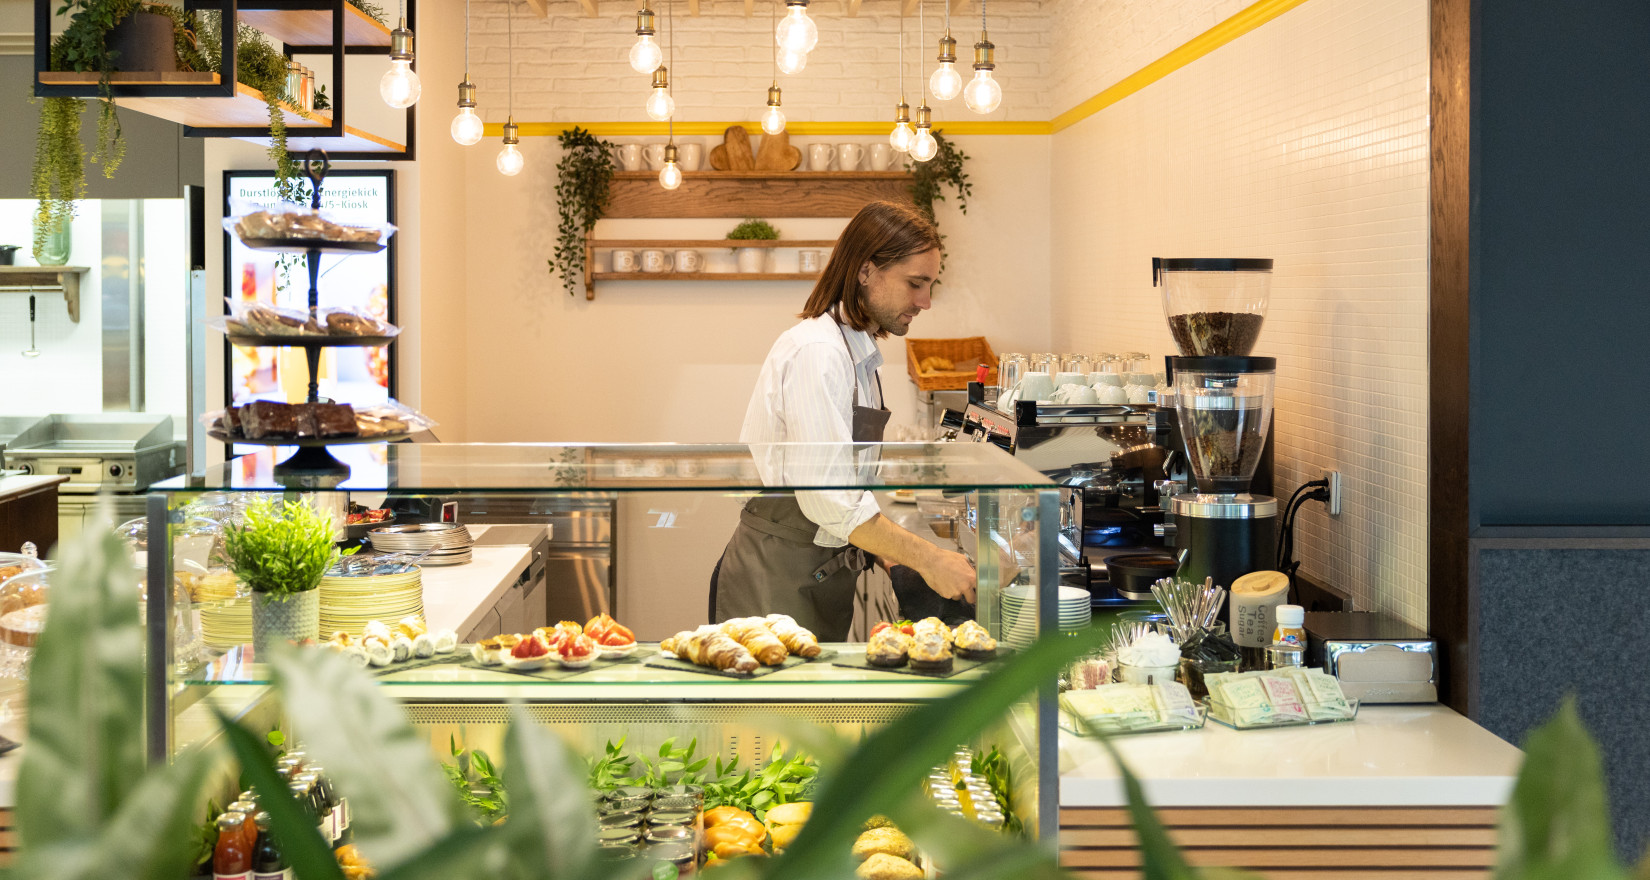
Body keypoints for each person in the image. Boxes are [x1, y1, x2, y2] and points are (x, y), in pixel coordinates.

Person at [709, 200, 978, 641]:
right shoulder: (820, 353)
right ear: (866, 270)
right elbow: (830, 499)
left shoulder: (857, 353)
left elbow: (846, 485)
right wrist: (929, 558)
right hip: (776, 581)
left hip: (818, 574)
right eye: (915, 283)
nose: (926, 301)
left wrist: (889, 552)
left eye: (929, 285)